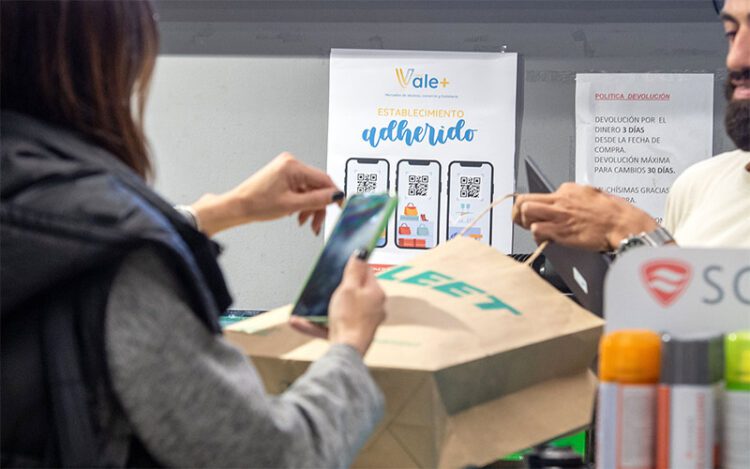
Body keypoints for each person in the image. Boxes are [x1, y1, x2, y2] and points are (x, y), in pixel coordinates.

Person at [0, 1, 386, 467]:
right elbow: (276, 456)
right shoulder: (125, 271)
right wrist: (349, 345)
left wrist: (222, 210)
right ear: (99, 61)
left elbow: (50, 242)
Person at [513, 0, 750, 251]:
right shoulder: (699, 185)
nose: (735, 58)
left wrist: (632, 233)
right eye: (731, 33)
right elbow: (668, 288)